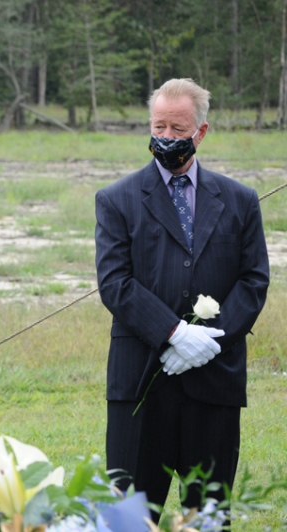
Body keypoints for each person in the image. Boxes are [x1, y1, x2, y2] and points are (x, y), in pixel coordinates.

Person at [94, 78, 269, 517]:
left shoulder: (240, 200)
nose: (166, 137)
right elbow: (115, 282)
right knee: (132, 517)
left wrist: (207, 341)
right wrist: (174, 333)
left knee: (207, 516)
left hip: (214, 382)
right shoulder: (116, 199)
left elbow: (253, 280)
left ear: (201, 132)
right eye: (159, 126)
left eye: (178, 128)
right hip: (141, 381)